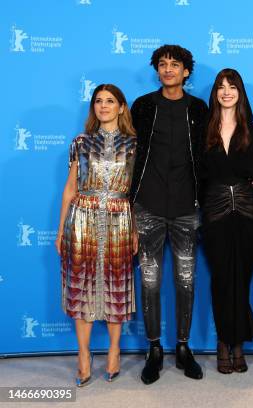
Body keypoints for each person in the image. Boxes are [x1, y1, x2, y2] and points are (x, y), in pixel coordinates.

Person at [130, 44, 208, 384]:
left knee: (186, 281)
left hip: (186, 210)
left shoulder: (198, 108)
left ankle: (183, 347)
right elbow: (129, 150)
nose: (168, 69)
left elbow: (209, 154)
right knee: (149, 281)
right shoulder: (143, 106)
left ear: (186, 71)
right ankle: (154, 349)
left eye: (175, 64)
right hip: (147, 206)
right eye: (162, 64)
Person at [56, 84, 138, 386]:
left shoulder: (133, 145)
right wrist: (60, 229)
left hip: (119, 218)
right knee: (81, 287)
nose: (103, 106)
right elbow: (69, 188)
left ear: (121, 107)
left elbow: (138, 193)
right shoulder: (80, 142)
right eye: (98, 101)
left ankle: (114, 351)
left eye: (110, 101)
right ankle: (83, 355)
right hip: (82, 220)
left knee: (116, 285)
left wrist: (136, 231)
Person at [200, 68, 253, 374]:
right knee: (222, 279)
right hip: (214, 214)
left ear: (240, 92)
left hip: (248, 215)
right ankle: (224, 342)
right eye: (221, 87)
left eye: (231, 86)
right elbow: (197, 176)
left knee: (241, 280)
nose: (226, 91)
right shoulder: (203, 129)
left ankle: (238, 345)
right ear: (215, 93)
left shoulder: (252, 130)